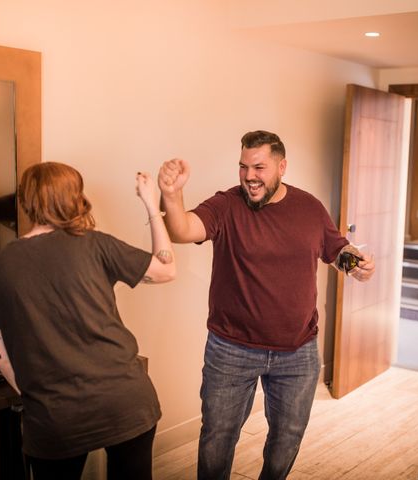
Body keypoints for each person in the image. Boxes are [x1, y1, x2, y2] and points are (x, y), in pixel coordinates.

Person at [157, 130, 375, 479]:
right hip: (231, 348)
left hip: (298, 352)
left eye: (259, 167)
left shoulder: (309, 208)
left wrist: (357, 265)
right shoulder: (226, 205)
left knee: (286, 440)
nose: (249, 176)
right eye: (243, 167)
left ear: (282, 166)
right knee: (217, 438)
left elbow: (337, 251)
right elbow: (182, 230)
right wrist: (171, 194)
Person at [0, 162, 175, 480]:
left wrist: (37, 397)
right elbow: (167, 269)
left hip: (54, 416)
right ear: (75, 198)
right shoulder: (96, 244)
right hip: (126, 401)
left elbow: (1, 355)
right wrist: (152, 205)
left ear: (25, 201)